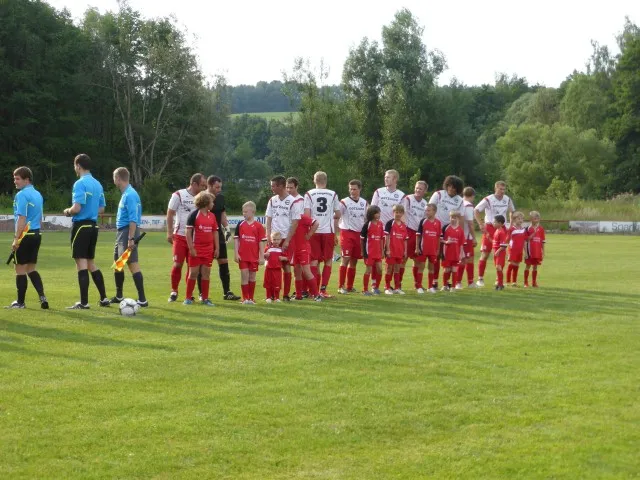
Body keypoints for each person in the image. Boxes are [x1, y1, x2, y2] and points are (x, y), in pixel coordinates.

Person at [63, 154, 110, 309]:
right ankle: (104, 298)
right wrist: (91, 210)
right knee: (90, 263)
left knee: (81, 262)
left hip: (81, 226)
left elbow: (76, 208)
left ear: (78, 166)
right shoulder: (98, 184)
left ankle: (84, 303)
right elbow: (101, 209)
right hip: (93, 227)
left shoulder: (80, 183)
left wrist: (68, 211)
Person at [5, 166, 48, 309]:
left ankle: (20, 302)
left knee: (20, 270)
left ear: (26, 179)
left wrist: (16, 239)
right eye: (14, 178)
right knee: (31, 269)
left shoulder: (22, 195)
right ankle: (42, 297)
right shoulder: (38, 194)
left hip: (25, 235)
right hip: (36, 234)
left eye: (17, 179)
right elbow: (40, 218)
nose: (15, 181)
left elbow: (22, 218)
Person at [166, 173, 207, 302]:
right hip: (180, 236)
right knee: (178, 264)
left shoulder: (203, 197)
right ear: (194, 184)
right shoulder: (178, 195)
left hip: (195, 239)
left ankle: (189, 294)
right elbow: (170, 213)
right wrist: (169, 232)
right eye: (202, 185)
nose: (204, 188)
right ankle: (174, 291)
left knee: (192, 267)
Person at [110, 167, 147, 307]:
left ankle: (142, 299)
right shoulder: (127, 193)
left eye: (114, 178)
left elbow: (133, 219)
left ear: (118, 178)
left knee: (132, 263)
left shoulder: (130, 195)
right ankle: (119, 296)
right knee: (118, 264)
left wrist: (131, 238)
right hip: (122, 233)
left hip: (127, 232)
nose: (114, 181)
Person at [265, 175, 303, 301]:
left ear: (280, 186)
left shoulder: (293, 201)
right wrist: (268, 235)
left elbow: (295, 222)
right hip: (273, 239)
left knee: (286, 265)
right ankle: (271, 294)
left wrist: (287, 240)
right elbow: (268, 218)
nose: (272, 188)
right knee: (270, 265)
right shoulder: (272, 200)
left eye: (273, 186)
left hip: (286, 238)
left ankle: (285, 294)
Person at [304, 171, 341, 297]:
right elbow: (338, 214)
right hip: (328, 231)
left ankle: (313, 291)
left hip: (314, 231)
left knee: (314, 261)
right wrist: (329, 216)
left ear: (314, 180)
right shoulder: (333, 194)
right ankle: (323, 290)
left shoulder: (309, 194)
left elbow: (307, 215)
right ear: (326, 180)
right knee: (328, 260)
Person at [474, 180, 516, 287]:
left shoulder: (507, 199)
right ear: (495, 188)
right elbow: (476, 210)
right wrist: (481, 224)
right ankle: (480, 279)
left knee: (500, 254)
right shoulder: (488, 199)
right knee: (485, 253)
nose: (502, 191)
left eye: (504, 189)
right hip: (490, 227)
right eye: (500, 189)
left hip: (502, 229)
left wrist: (511, 224)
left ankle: (498, 279)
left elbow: (512, 211)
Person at [205, 175, 240, 301]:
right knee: (204, 266)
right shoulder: (202, 198)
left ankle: (227, 292)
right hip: (206, 235)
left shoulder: (220, 198)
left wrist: (227, 231)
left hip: (219, 235)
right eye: (217, 187)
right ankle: (202, 294)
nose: (219, 189)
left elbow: (223, 215)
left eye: (220, 187)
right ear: (209, 185)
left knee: (224, 262)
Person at [428, 175, 464, 290]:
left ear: (458, 189)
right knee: (436, 256)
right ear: (446, 185)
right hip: (436, 228)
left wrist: (459, 232)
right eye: (450, 186)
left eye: (454, 187)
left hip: (450, 230)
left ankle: (447, 282)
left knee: (448, 257)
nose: (451, 189)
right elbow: (429, 210)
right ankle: (434, 281)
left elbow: (460, 217)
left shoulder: (460, 200)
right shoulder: (438, 194)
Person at [183, 192, 219, 305]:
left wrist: (217, 248)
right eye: (212, 202)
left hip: (209, 250)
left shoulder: (212, 216)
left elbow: (215, 232)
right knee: (193, 273)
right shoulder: (194, 215)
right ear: (206, 202)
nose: (213, 204)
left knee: (206, 273)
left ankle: (205, 298)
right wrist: (191, 248)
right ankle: (188, 298)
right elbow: (188, 233)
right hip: (196, 249)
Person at [337, 179, 368, 294]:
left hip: (358, 234)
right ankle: (341, 286)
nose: (352, 191)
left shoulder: (364, 203)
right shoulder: (344, 202)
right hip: (347, 232)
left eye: (355, 189)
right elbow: (337, 216)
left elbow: (366, 219)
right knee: (345, 258)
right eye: (351, 189)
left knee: (354, 261)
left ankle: (350, 286)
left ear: (360, 189)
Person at [234, 201, 267, 304]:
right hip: (243, 256)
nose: (243, 214)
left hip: (254, 257)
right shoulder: (240, 224)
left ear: (252, 212)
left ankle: (251, 298)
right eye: (243, 212)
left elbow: (261, 242)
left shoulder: (259, 226)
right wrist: (236, 253)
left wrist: (261, 256)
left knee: (252, 277)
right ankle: (245, 298)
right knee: (244, 276)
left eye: (245, 212)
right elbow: (236, 240)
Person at [402, 181, 428, 292]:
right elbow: (403, 214)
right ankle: (398, 284)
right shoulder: (408, 199)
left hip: (419, 234)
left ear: (425, 191)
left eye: (420, 189)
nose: (418, 190)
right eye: (417, 188)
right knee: (403, 258)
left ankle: (417, 285)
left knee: (418, 260)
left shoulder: (425, 203)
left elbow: (425, 220)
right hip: (408, 231)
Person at [291, 212, 322, 301]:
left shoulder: (302, 217)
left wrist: (309, 234)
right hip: (294, 249)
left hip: (303, 248)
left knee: (306, 271)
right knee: (297, 272)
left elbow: (316, 223)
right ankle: (298, 295)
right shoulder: (289, 217)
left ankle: (316, 295)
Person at [415, 204, 443, 294]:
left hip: (433, 250)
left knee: (431, 268)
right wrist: (417, 247)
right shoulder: (423, 221)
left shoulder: (438, 223)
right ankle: (419, 286)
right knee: (421, 267)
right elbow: (418, 236)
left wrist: (438, 249)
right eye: (426, 210)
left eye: (428, 210)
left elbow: (438, 237)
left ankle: (430, 287)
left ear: (434, 211)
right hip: (423, 249)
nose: (426, 212)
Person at [383, 204, 409, 295]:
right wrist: (387, 249)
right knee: (389, 269)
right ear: (393, 212)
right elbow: (387, 237)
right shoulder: (390, 223)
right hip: (391, 251)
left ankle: (397, 288)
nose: (398, 214)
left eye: (400, 212)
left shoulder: (404, 225)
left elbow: (405, 240)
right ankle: (387, 287)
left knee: (397, 269)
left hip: (400, 251)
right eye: (396, 212)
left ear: (402, 214)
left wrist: (405, 251)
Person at [360, 205, 384, 295]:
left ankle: (376, 287)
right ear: (371, 214)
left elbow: (381, 238)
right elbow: (362, 239)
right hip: (369, 252)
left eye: (379, 213)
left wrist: (382, 250)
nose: (378, 214)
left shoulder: (380, 224)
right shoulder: (367, 224)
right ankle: (365, 290)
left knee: (380, 269)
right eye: (376, 213)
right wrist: (362, 251)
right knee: (368, 270)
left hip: (378, 252)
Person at [458, 187, 478, 289]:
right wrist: (474, 238)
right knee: (467, 259)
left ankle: (459, 282)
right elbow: (470, 223)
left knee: (462, 258)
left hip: (457, 235)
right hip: (466, 237)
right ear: (473, 196)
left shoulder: (459, 202)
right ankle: (465, 282)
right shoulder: (468, 205)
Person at [441, 211, 466, 292]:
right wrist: (446, 242)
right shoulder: (446, 228)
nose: (453, 219)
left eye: (455, 218)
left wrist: (461, 254)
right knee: (446, 270)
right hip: (446, 253)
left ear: (458, 219)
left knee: (454, 269)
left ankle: (453, 287)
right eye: (451, 217)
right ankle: (445, 286)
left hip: (456, 254)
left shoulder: (460, 230)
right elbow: (440, 239)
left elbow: (461, 244)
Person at [264, 232, 287, 303]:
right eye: (274, 239)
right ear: (271, 240)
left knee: (277, 284)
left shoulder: (281, 249)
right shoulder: (268, 248)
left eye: (278, 239)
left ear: (281, 240)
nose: (276, 241)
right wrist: (265, 255)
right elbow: (263, 256)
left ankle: (277, 297)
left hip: (277, 270)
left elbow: (287, 258)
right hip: (268, 269)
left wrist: (283, 258)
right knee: (268, 283)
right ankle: (268, 297)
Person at [524, 211, 546, 288]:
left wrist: (543, 251)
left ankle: (534, 282)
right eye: (534, 218)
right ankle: (526, 282)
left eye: (537, 218)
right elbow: (526, 240)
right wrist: (525, 253)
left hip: (537, 251)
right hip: (530, 251)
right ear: (531, 219)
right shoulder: (527, 229)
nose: (536, 219)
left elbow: (543, 241)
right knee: (528, 265)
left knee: (535, 266)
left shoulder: (541, 229)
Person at [506, 211, 527, 286]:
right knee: (511, 265)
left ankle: (514, 281)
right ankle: (508, 281)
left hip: (519, 251)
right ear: (514, 219)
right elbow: (507, 240)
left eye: (522, 219)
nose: (521, 220)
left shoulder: (523, 229)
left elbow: (524, 241)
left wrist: (526, 252)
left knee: (517, 265)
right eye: (519, 219)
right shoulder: (511, 229)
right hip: (512, 250)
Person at [492, 215, 508, 291]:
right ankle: (499, 283)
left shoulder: (501, 232)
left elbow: (503, 245)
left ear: (500, 223)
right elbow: (495, 242)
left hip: (500, 252)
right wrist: (494, 251)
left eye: (495, 222)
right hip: (496, 252)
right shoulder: (496, 231)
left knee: (498, 267)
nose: (493, 223)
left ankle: (500, 284)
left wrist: (497, 251)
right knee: (497, 267)